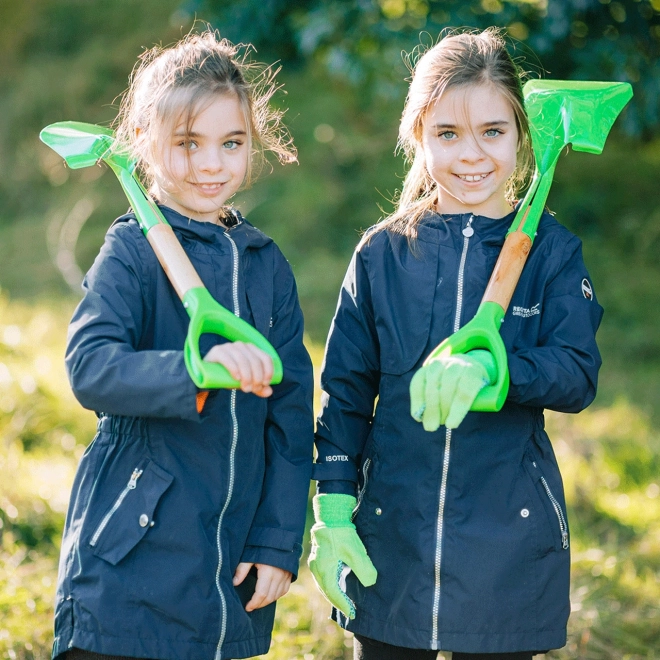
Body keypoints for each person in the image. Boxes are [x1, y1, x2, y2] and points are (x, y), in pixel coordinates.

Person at [308, 28, 603, 660]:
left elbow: (577, 372)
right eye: (447, 134)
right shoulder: (383, 254)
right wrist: (332, 510)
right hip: (392, 540)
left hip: (508, 544)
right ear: (417, 137)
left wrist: (503, 374)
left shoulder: (551, 252)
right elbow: (346, 394)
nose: (472, 155)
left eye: (493, 131)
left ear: (524, 137)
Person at [52, 30, 314, 660]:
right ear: (144, 142)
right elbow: (90, 367)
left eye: (231, 143)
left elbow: (290, 414)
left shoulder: (266, 265)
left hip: (228, 573)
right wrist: (194, 369)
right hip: (128, 562)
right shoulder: (133, 253)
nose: (210, 165)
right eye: (187, 144)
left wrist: (278, 542)